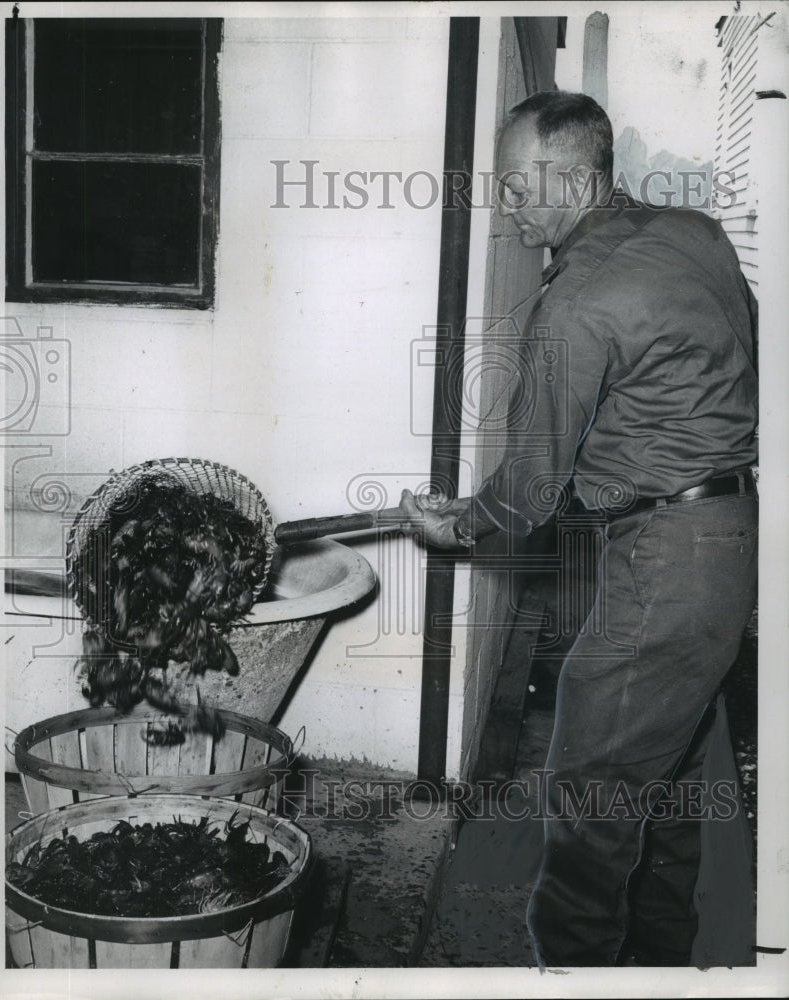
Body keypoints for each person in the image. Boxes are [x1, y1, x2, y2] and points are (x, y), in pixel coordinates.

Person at [399, 90, 758, 968]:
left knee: (590, 804)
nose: (508, 204)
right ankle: (661, 969)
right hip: (731, 535)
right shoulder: (693, 234)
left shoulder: (576, 303)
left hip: (667, 564)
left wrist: (458, 526)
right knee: (663, 785)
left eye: (518, 186)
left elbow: (525, 492)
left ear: (570, 176)